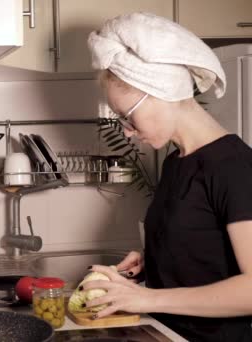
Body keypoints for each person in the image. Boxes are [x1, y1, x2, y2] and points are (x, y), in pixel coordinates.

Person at [82, 12, 252, 341]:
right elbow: (205, 248)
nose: (128, 132)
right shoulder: (176, 162)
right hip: (167, 333)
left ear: (160, 92)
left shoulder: (235, 167)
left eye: (127, 117)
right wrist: (154, 261)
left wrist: (148, 298)